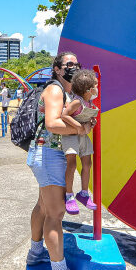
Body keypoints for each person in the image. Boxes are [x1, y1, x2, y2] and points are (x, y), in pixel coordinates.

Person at [26, 52, 91, 270]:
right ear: (57, 69)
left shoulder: (68, 93)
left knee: (44, 207)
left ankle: (36, 253)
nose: (74, 67)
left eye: (77, 64)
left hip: (45, 154)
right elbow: (52, 123)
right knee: (55, 214)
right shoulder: (55, 90)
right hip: (49, 155)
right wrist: (81, 129)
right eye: (68, 64)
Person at [60, 69, 99, 215]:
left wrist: (91, 122)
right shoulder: (77, 102)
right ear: (88, 89)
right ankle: (69, 195)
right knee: (72, 165)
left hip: (82, 136)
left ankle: (84, 193)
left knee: (87, 164)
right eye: (95, 85)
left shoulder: (89, 102)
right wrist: (79, 126)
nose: (97, 88)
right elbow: (64, 115)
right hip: (71, 136)